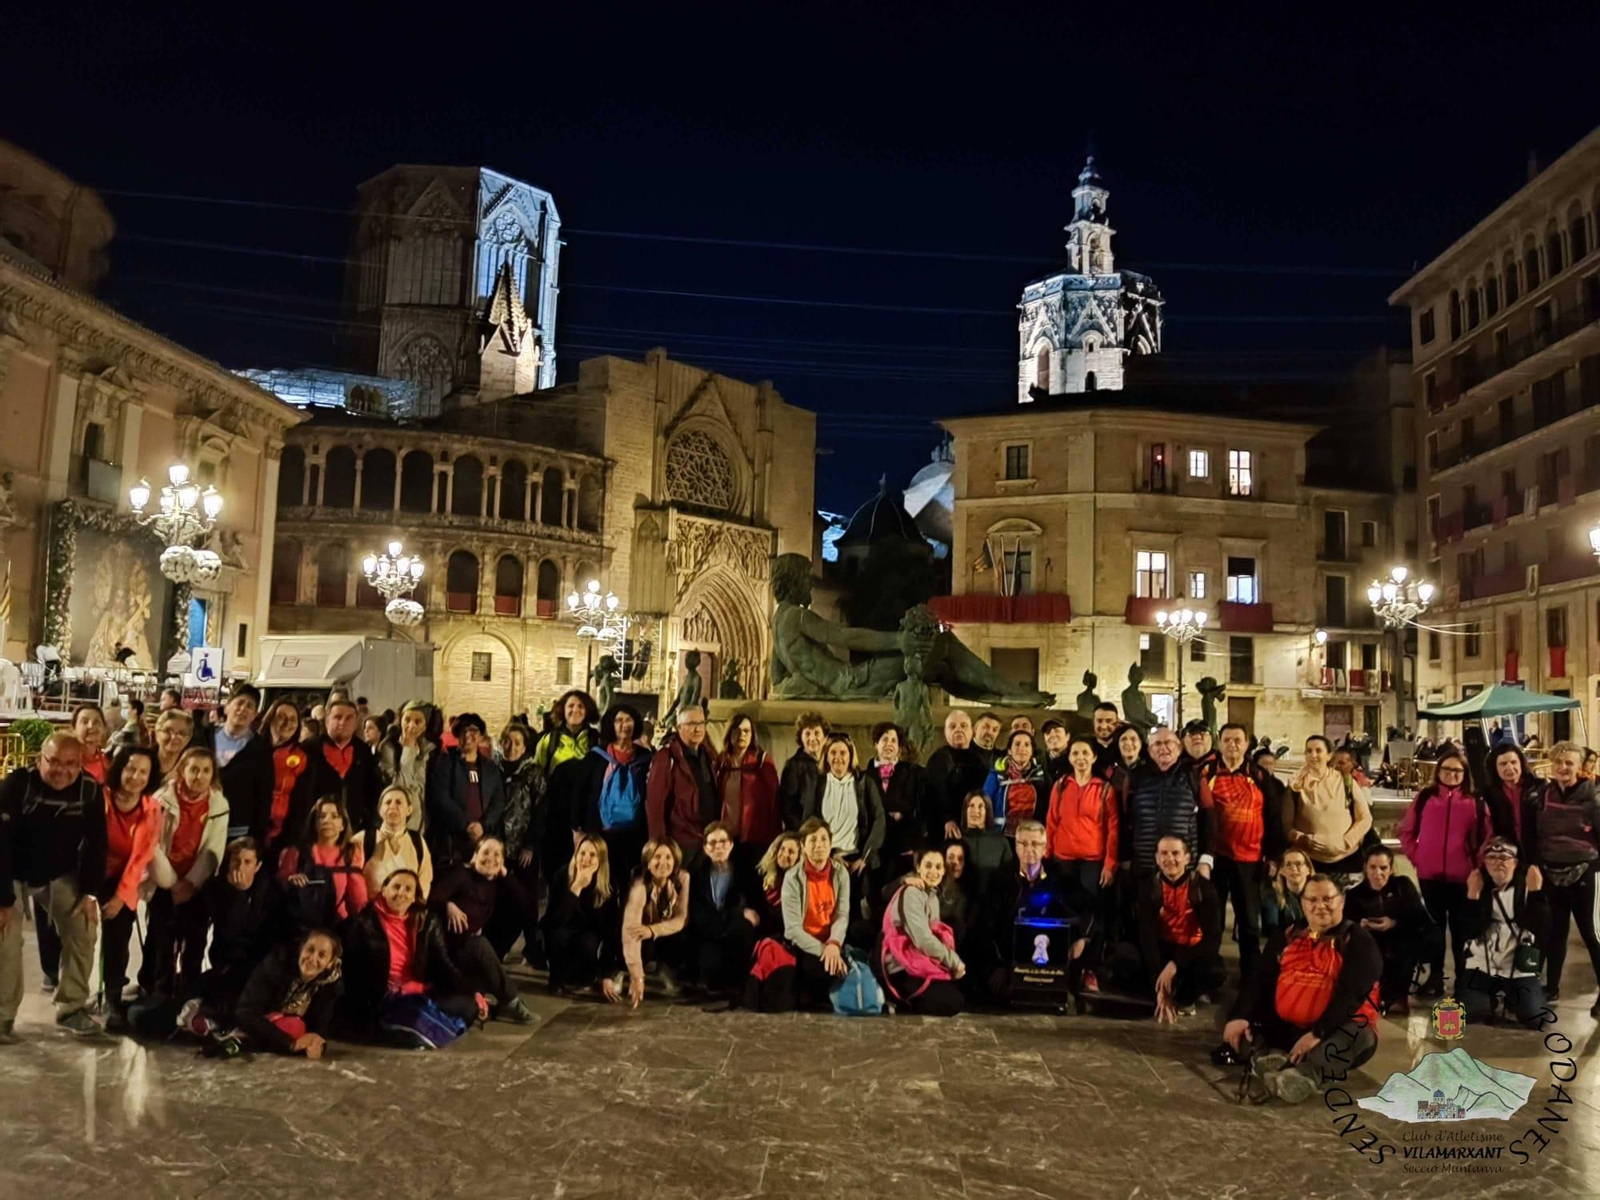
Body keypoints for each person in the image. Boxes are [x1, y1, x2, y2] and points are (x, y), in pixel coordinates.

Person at [1223, 875, 1381, 1104]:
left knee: (1355, 1037)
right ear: (1303, 903)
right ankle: (1273, 1057)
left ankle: (1303, 1074)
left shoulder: (1359, 942)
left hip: (1333, 1030)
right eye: (1312, 900)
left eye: (1327, 899)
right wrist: (1240, 1016)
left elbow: (1350, 997)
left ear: (1342, 901)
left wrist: (1318, 1034)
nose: (1320, 906)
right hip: (1289, 1028)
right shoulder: (1288, 935)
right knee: (1233, 1018)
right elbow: (1259, 978)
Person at [0, 734, 106, 1040]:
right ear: (40, 760)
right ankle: (3, 1015)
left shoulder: (89, 791)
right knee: (5, 938)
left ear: (81, 764)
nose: (62, 770)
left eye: (71, 763)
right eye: (54, 761)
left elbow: (97, 843)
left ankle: (71, 1007)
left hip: (59, 874)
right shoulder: (17, 785)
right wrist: (4, 901)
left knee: (84, 928)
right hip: (13, 874)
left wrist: (90, 893)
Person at [342, 868, 484, 1044]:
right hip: (385, 997)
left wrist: (472, 991)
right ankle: (422, 1029)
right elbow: (356, 975)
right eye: (396, 887)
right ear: (384, 890)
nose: (401, 893)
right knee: (413, 1016)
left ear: (414, 897)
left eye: (408, 889)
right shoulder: (363, 923)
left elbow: (443, 964)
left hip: (420, 991)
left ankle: (421, 1030)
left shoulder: (426, 921)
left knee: (468, 1006)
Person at [1398, 747, 1491, 999]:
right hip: (1430, 877)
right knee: (1434, 930)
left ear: (1465, 774)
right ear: (1438, 771)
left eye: (1457, 770)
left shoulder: (1475, 802)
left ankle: (1463, 979)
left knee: (1462, 932)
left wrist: (1477, 866)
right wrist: (1418, 857)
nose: (1451, 774)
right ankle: (1436, 976)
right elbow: (1406, 831)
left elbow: (1488, 837)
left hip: (1463, 879)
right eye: (1447, 769)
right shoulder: (1425, 798)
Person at [144, 746, 230, 1001]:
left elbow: (213, 848)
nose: (199, 776)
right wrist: (170, 883)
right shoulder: (162, 799)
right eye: (193, 769)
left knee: (195, 941)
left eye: (205, 771)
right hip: (164, 880)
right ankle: (158, 993)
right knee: (161, 941)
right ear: (182, 770)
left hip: (197, 884)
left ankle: (188, 996)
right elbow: (153, 844)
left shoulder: (219, 805)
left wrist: (191, 883)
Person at [1201, 724, 1284, 981]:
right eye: (1227, 740)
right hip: (1216, 858)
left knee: (1248, 921)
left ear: (1247, 744)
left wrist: (1273, 856)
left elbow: (1273, 817)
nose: (1232, 745)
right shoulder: (1206, 772)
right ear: (1219, 743)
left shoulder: (1259, 776)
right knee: (1212, 920)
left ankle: (1251, 975)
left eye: (1238, 740)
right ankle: (1209, 973)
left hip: (1249, 859)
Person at [1522, 740, 1600, 1011]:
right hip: (1550, 872)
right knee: (1554, 932)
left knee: (1592, 934)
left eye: (1569, 763)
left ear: (1579, 767)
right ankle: (1551, 986)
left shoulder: (1593, 798)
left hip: (1585, 873)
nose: (1563, 767)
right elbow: (1534, 833)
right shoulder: (1543, 795)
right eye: (1558, 762)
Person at [978, 819, 1093, 1003]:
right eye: (1023, 843)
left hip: (1055, 957)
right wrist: (998, 965)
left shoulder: (1059, 877)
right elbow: (986, 924)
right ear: (1016, 847)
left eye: (1035, 844)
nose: (1029, 849)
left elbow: (1089, 908)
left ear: (1044, 848)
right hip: (1010, 957)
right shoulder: (1000, 879)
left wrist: (1082, 938)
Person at [427, 839, 535, 1022]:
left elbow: (525, 904)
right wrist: (448, 905)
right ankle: (511, 1001)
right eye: (485, 852)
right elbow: (433, 896)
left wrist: (506, 874)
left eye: (497, 855)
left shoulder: (495, 882)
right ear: (475, 855)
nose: (490, 858)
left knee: (498, 932)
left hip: (468, 953)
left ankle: (497, 1001)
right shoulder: (461, 874)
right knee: (479, 945)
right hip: (447, 951)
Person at [1120, 836, 1224, 1021]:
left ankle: (1183, 997)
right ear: (1157, 858)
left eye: (1175, 853)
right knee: (1123, 958)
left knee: (1215, 971)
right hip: (1161, 950)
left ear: (1187, 858)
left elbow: (1213, 940)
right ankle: (1159, 993)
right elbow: (1147, 937)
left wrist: (1176, 963)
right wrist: (1160, 986)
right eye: (1164, 854)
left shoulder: (1204, 889)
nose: (1169, 859)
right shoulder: (1148, 888)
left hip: (1191, 952)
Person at [97, 745, 161, 1031]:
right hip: (92, 872)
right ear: (120, 769)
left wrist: (120, 898)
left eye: (143, 772)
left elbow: (140, 858)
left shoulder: (152, 808)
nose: (136, 777)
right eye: (131, 769)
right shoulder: (100, 798)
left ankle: (113, 997)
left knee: (118, 933)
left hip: (125, 876)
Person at [204, 929, 344, 1059]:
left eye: (322, 955)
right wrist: (289, 1044)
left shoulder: (330, 984)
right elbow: (245, 1012)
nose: (313, 959)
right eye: (310, 950)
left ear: (330, 962)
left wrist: (315, 1042)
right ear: (301, 948)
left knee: (297, 1027)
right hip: (233, 1004)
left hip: (278, 1021)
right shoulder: (277, 964)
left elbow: (319, 1026)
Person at [758, 818, 850, 1012]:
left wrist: (834, 944)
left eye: (824, 839)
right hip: (805, 943)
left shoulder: (841, 873)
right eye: (813, 840)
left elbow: (842, 915)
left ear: (830, 843)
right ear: (803, 846)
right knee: (819, 970)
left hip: (831, 940)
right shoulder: (793, 877)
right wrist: (824, 950)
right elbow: (792, 929)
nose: (819, 845)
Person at [1459, 837, 1550, 1027]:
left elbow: (1541, 928)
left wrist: (1536, 894)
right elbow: (1468, 932)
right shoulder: (1478, 885)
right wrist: (1472, 898)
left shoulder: (1526, 887)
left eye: (1504, 858)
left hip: (1518, 968)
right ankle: (1490, 998)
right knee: (1468, 1012)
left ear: (1515, 863)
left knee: (1536, 1019)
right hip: (1482, 965)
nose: (1498, 863)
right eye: (1491, 858)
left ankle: (1512, 999)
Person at [1344, 845, 1431, 1016]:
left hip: (1400, 943)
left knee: (1409, 941)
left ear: (1391, 869)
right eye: (1373, 867)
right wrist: (1360, 925)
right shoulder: (1355, 894)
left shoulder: (1403, 886)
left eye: (1383, 868)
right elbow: (1346, 923)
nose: (1378, 873)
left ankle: (1397, 996)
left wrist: (1393, 923)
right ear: (1365, 868)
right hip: (1370, 944)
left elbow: (1421, 919)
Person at [1121, 727, 1214, 888]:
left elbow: (1209, 819)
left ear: (1179, 749)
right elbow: (1125, 819)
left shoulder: (1193, 776)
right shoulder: (1135, 777)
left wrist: (1206, 859)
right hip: (1144, 866)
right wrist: (1124, 858)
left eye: (1168, 743)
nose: (1163, 748)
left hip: (1182, 867)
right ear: (1149, 751)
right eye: (1157, 744)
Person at [879, 846, 966, 1015]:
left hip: (919, 960)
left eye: (938, 867)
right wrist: (954, 961)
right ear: (918, 868)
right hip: (901, 966)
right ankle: (898, 1001)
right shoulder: (912, 893)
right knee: (953, 1002)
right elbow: (923, 940)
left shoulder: (932, 895)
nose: (933, 872)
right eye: (928, 866)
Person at [801, 733, 884, 910]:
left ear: (851, 756)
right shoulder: (817, 783)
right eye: (833, 753)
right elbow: (808, 822)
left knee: (855, 910)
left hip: (856, 860)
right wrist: (830, 854)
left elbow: (879, 819)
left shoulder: (864, 782)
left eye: (843, 753)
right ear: (826, 756)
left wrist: (865, 858)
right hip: (826, 858)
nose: (838, 758)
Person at [288, 697, 380, 841]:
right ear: (327, 721)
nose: (343, 722)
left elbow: (373, 791)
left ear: (356, 723)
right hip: (314, 832)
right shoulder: (308, 749)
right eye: (337, 717)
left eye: (349, 718)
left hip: (354, 832)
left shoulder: (364, 752)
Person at [542, 834, 622, 998]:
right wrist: (576, 888)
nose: (586, 859)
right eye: (582, 853)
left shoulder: (609, 883)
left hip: (590, 934)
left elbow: (610, 930)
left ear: (601, 860)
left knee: (588, 943)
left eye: (592, 855)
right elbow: (554, 919)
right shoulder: (562, 875)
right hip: (563, 928)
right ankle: (557, 979)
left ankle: (586, 978)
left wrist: (606, 974)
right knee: (557, 935)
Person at [688, 822, 761, 996]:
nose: (718, 847)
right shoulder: (696, 874)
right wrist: (732, 915)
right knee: (710, 967)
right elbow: (698, 911)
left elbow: (754, 909)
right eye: (713, 843)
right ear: (705, 848)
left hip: (735, 931)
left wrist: (738, 914)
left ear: (731, 845)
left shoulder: (745, 872)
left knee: (742, 927)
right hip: (710, 931)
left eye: (723, 841)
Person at [1284, 734, 1372, 877]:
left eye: (1318, 751)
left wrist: (1346, 842)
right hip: (1310, 861)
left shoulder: (1345, 781)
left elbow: (1365, 818)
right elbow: (1286, 824)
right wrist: (1302, 839)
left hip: (1347, 860)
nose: (1313, 755)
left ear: (1329, 755)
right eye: (1309, 751)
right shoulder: (1295, 784)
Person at [1044, 735, 1119, 898]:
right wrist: (1046, 856)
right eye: (1075, 753)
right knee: (1063, 906)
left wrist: (1109, 864)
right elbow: (1051, 822)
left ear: (1094, 757)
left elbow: (1112, 830)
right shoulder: (1060, 786)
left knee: (1089, 906)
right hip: (1062, 858)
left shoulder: (1105, 789)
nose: (1080, 758)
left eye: (1085, 753)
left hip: (1093, 861)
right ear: (1069, 758)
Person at [278, 795, 368, 931]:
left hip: (338, 925)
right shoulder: (297, 851)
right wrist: (290, 880)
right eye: (322, 816)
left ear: (343, 825)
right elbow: (281, 883)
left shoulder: (350, 854)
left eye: (334, 816)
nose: (327, 821)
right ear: (314, 823)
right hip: (301, 925)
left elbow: (358, 899)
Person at [493, 720, 543, 962]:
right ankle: (497, 948)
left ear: (524, 747)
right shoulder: (493, 769)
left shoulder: (532, 772)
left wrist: (530, 844)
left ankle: (532, 946)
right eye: (507, 741)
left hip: (523, 847)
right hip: (497, 848)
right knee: (500, 899)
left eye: (517, 743)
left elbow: (541, 810)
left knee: (526, 899)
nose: (511, 747)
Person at [428, 712, 505, 865]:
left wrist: (483, 825)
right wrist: (466, 824)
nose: (468, 735)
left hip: (483, 839)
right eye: (463, 731)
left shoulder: (490, 768)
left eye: (473, 731)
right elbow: (441, 798)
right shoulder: (445, 764)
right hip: (453, 840)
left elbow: (498, 801)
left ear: (481, 736)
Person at [646, 705, 721, 861]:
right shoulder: (666, 757)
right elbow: (655, 803)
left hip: (706, 838)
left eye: (701, 723)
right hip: (680, 841)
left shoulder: (707, 755)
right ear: (679, 727)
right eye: (692, 724)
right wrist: (659, 844)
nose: (698, 729)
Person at [864, 722, 928, 894]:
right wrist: (895, 811)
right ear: (876, 744)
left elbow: (912, 807)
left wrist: (887, 810)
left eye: (893, 740)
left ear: (899, 747)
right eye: (884, 739)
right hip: (874, 847)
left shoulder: (913, 773)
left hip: (903, 845)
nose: (889, 744)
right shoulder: (864, 776)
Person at [211, 684, 275, 845]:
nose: (243, 709)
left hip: (237, 831)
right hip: (201, 825)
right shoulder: (205, 737)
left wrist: (257, 838)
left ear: (254, 715)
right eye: (239, 703)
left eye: (250, 706)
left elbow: (264, 797)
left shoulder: (261, 749)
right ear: (227, 707)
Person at [718, 712, 782, 853]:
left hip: (755, 837)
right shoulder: (721, 762)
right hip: (725, 836)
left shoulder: (762, 761)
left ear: (752, 735)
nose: (742, 735)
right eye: (737, 730)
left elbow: (773, 801)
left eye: (746, 731)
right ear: (730, 733)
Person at [925, 710, 992, 841]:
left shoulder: (981, 759)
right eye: (952, 726)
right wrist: (947, 819)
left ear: (972, 731)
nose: (958, 729)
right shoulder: (938, 759)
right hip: (947, 829)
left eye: (963, 726)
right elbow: (933, 794)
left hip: (976, 828)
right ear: (945, 732)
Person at [363, 786, 434, 900]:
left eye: (398, 802)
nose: (392, 806)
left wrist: (414, 906)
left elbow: (424, 880)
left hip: (407, 909)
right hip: (371, 909)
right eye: (388, 802)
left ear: (409, 810)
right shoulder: (364, 839)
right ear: (380, 810)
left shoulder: (418, 842)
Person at [375, 701, 435, 833]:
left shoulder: (430, 750)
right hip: (399, 821)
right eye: (407, 720)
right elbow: (399, 787)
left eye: (417, 721)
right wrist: (408, 749)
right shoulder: (389, 747)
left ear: (425, 726)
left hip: (423, 821)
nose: (411, 725)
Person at [983, 730, 1050, 835]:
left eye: (1027, 745)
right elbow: (985, 804)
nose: (1022, 748)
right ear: (1009, 750)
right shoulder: (996, 775)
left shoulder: (1041, 775)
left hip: (1032, 835)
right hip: (1001, 834)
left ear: (1032, 751)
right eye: (1017, 744)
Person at [777, 712, 828, 832]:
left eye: (816, 733)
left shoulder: (830, 765)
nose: (812, 738)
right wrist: (803, 831)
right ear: (801, 738)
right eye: (807, 734)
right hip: (801, 833)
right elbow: (787, 806)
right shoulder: (793, 766)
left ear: (825, 737)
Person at [1482, 742, 1541, 845]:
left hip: (1537, 849)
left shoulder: (1540, 788)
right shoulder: (1488, 794)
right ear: (1495, 767)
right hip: (1505, 849)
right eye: (1503, 764)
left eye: (1514, 762)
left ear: (1521, 764)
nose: (1510, 768)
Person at [960, 791, 1015, 898]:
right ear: (965, 810)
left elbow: (1008, 876)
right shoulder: (956, 840)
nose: (976, 811)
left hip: (991, 902)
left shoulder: (1000, 842)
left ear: (987, 811)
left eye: (981, 806)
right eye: (971, 806)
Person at [533, 689, 599, 778]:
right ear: (563, 710)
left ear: (587, 711)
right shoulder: (549, 741)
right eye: (571, 706)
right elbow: (535, 775)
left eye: (580, 706)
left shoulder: (597, 740)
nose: (575, 710)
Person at [753, 831, 803, 939]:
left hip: (783, 933)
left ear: (799, 858)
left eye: (791, 852)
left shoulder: (800, 884)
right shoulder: (762, 873)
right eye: (782, 849)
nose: (785, 854)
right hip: (760, 927)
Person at [1260, 847, 1313, 939]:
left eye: (1298, 864)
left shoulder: (1319, 894)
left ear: (1308, 869)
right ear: (1282, 870)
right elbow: (1272, 928)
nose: (1294, 868)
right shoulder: (1272, 894)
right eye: (1288, 864)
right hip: (1285, 941)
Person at [152, 707, 195, 791]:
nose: (174, 737)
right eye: (167, 731)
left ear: (188, 738)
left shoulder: (191, 766)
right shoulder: (141, 760)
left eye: (181, 733)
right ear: (156, 733)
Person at [72, 704, 111, 785]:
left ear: (104, 729)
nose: (91, 726)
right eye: (85, 721)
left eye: (97, 722)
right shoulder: (65, 760)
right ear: (74, 729)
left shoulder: (109, 761)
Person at [1091, 703, 1122, 777]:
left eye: (1109, 721)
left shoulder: (1124, 746)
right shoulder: (1086, 746)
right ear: (1093, 722)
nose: (1104, 726)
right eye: (1099, 721)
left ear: (1117, 722)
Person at [1039, 719, 1071, 787]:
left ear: (1067, 736)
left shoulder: (1075, 760)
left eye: (1057, 731)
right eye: (1048, 732)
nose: (1052, 735)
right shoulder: (1039, 762)